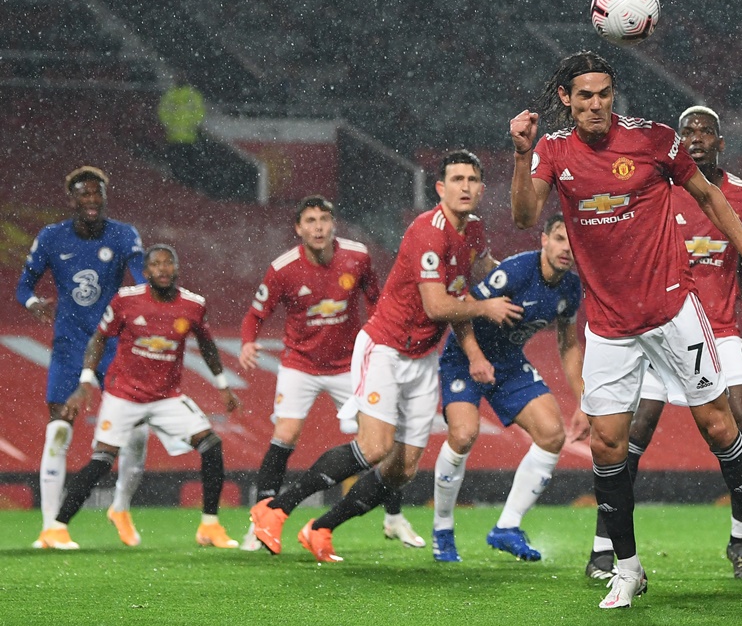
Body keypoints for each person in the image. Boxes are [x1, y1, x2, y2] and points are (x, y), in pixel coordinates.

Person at [510, 51, 742, 608]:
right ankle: (628, 567)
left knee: (720, 428)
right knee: (608, 445)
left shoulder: (654, 140)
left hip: (673, 314)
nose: (597, 104)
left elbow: (711, 198)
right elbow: (525, 216)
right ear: (566, 100)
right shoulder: (552, 150)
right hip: (610, 328)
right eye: (585, 95)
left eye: (605, 93)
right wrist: (521, 156)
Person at [249, 150, 521, 558]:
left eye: (472, 179)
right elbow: (437, 306)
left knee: (403, 468)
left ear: (482, 189)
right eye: (457, 179)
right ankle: (275, 509)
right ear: (440, 188)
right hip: (386, 348)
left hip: (424, 357)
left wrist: (524, 278)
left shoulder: (475, 232)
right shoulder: (428, 232)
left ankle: (321, 527)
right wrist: (487, 307)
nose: (465, 186)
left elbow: (472, 281)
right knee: (374, 447)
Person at [584, 105, 742, 580]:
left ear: (720, 142)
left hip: (722, 330)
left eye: (705, 132)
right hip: (659, 328)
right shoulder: (658, 189)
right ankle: (602, 549)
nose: (695, 138)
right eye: (687, 131)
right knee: (630, 438)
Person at [35, 245, 241, 549]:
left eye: (167, 263)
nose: (162, 269)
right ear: (145, 272)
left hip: (166, 397)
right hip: (124, 396)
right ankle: (56, 528)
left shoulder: (193, 305)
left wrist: (223, 384)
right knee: (102, 461)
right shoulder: (127, 301)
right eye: (155, 265)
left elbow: (207, 344)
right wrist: (86, 381)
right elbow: (99, 339)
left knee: (211, 445)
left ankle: (209, 526)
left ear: (176, 269)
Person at [235, 196, 412, 551]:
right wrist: (247, 342)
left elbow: (376, 299)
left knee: (380, 441)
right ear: (298, 228)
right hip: (300, 363)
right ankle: (260, 522)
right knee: (285, 434)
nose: (318, 227)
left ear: (334, 224)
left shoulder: (358, 257)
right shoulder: (283, 268)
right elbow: (256, 314)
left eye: (324, 220)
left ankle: (393, 517)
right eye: (310, 221)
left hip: (349, 365)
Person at [430, 214, 585, 562]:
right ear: (544, 240)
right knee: (464, 434)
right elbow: (461, 311)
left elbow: (569, 345)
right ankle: (442, 528)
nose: (567, 249)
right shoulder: (515, 271)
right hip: (464, 356)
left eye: (573, 242)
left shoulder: (571, 289)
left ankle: (507, 527)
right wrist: (475, 358)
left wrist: (583, 401)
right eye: (560, 238)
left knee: (551, 434)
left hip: (508, 362)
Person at [17, 166, 150, 548]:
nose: (92, 200)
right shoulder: (51, 237)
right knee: (58, 432)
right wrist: (33, 303)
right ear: (71, 198)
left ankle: (120, 507)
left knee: (138, 431)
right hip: (69, 349)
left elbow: (141, 279)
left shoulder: (124, 235)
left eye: (98, 193)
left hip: (114, 348)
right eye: (84, 193)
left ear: (105, 196)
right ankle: (50, 528)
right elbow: (23, 285)